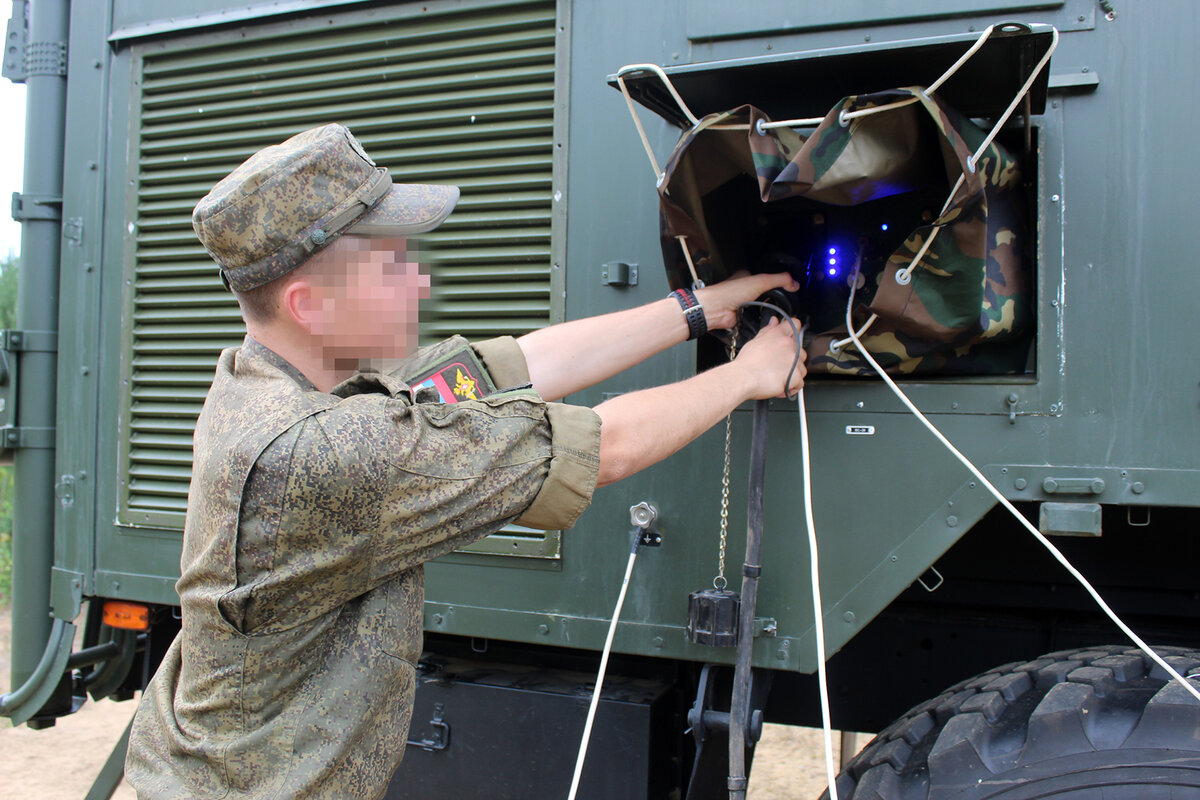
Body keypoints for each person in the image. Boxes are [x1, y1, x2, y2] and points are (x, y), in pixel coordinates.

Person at [124, 123, 804, 799]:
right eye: (390, 265)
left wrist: (702, 307)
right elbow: (602, 446)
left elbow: (518, 367)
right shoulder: (325, 451)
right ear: (309, 305)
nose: (419, 282)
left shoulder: (271, 384)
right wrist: (748, 375)